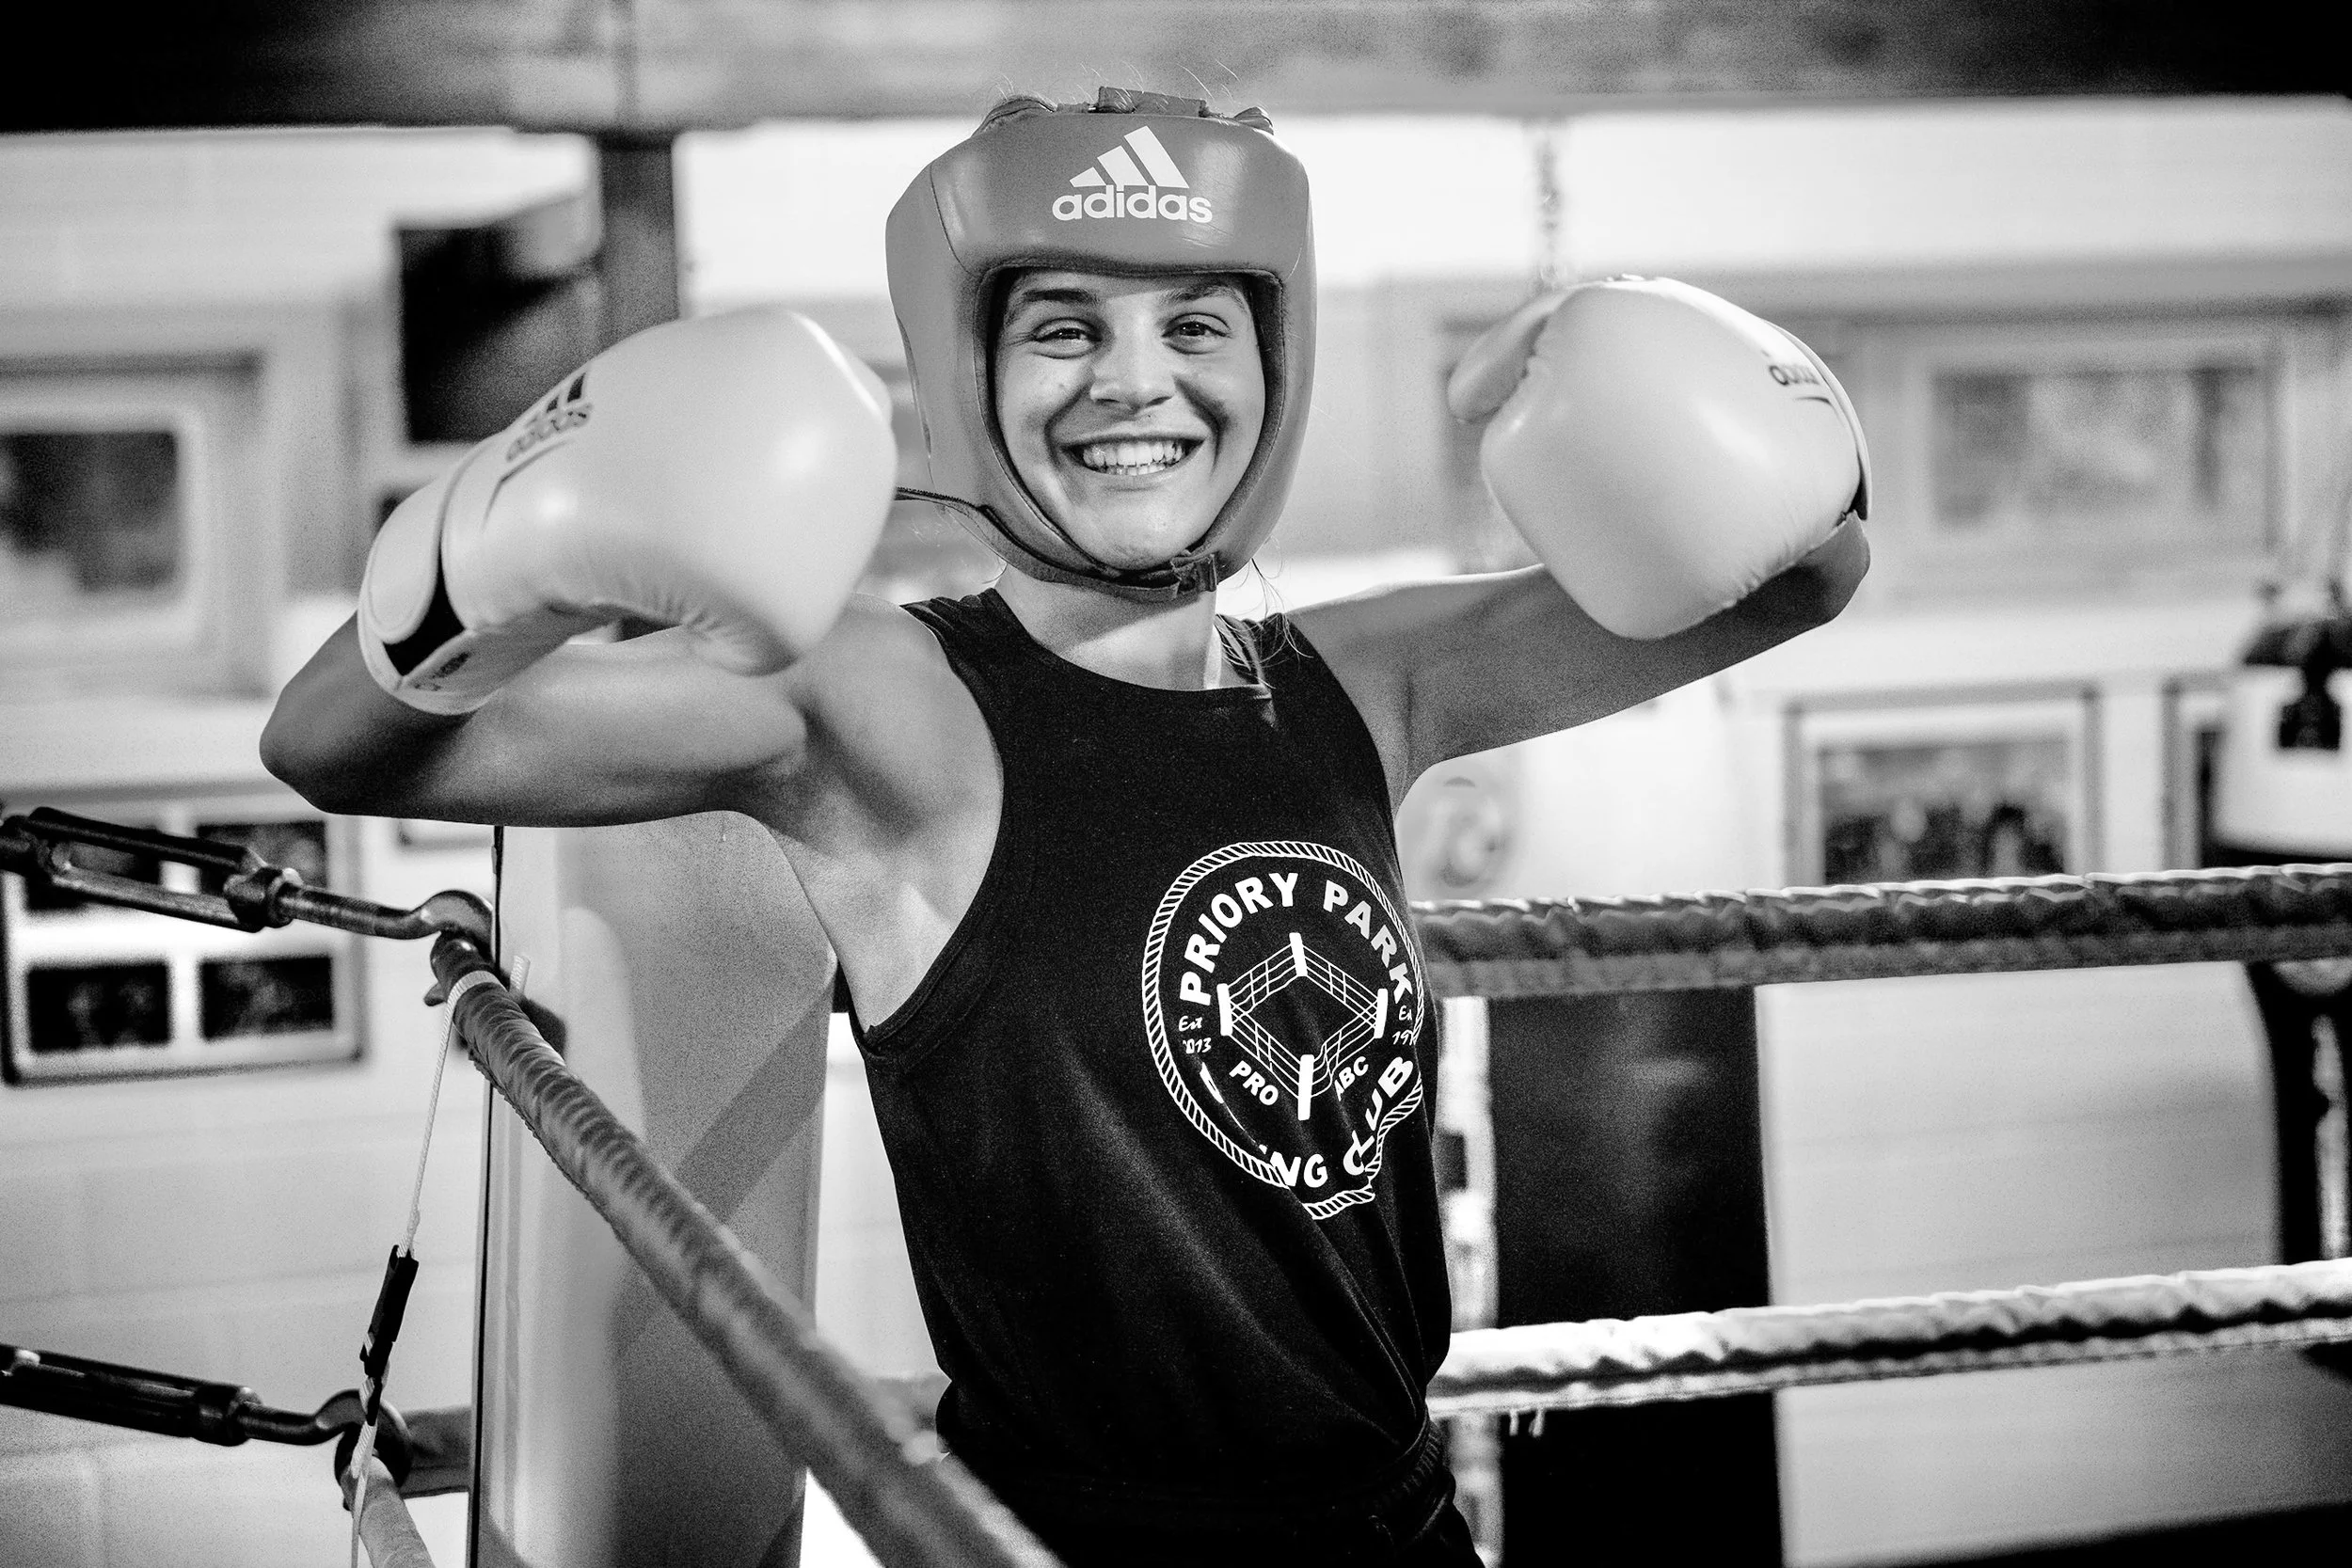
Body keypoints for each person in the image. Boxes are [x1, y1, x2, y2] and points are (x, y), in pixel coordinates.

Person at [263, 87, 1870, 1567]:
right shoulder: (881, 695)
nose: (1136, 380)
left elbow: (1799, 569)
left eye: (1194, 322)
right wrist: (499, 519)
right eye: (1062, 328)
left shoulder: (1361, 679)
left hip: (1397, 1527)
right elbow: (344, 747)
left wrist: (1663, 368)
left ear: (1272, 365)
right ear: (969, 379)